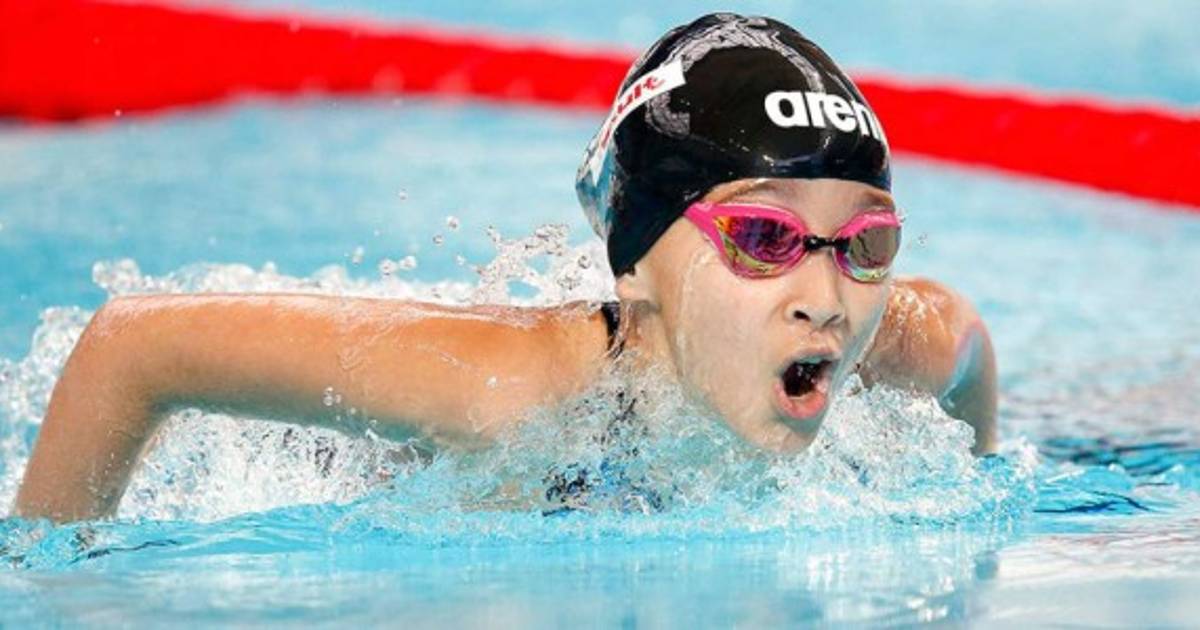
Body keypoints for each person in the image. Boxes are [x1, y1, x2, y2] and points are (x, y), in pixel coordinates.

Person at [13, 13, 996, 523]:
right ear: (637, 263)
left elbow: (968, 344)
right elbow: (132, 346)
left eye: (865, 244)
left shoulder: (877, 342)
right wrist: (54, 577)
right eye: (765, 239)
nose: (825, 301)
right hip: (364, 460)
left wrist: (974, 489)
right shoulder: (504, 392)